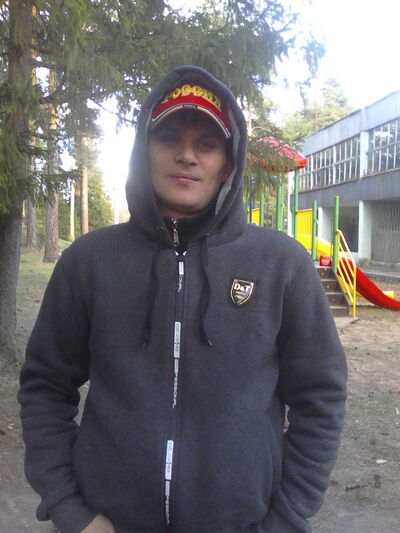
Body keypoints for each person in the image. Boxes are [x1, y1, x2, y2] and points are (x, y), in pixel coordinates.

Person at [19, 65, 347, 533]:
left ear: (228, 163)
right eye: (169, 138)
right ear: (144, 151)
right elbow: (45, 387)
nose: (187, 156)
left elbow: (321, 398)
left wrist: (287, 517)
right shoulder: (88, 262)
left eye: (206, 144)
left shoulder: (282, 265)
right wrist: (71, 510)